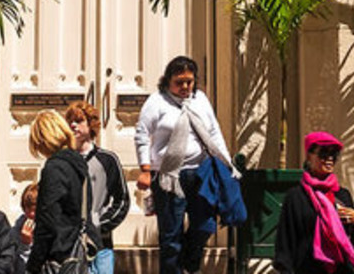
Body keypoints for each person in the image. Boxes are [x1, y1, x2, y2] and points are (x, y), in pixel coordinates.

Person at [134, 56, 232, 274]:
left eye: (189, 81)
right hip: (169, 177)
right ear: (168, 81)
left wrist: (227, 164)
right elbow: (142, 134)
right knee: (171, 236)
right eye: (179, 82)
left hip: (201, 173)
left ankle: (188, 264)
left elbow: (214, 132)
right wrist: (145, 169)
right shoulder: (157, 102)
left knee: (206, 225)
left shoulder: (201, 100)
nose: (185, 87)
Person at [273, 132, 354, 274]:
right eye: (323, 153)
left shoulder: (342, 196)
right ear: (309, 156)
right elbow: (285, 243)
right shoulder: (296, 197)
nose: (329, 159)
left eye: (334, 154)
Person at [25, 110, 98, 274]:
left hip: (58, 256)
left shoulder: (54, 168)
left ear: (43, 140)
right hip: (77, 254)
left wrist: (33, 264)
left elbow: (48, 220)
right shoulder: (79, 164)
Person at [64, 101, 129, 274]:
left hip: (101, 243)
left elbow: (122, 199)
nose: (73, 125)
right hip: (70, 242)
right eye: (70, 121)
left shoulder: (107, 160)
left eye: (79, 121)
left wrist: (102, 226)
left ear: (91, 125)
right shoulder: (62, 161)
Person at [12, 183, 38, 274]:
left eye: (35, 210)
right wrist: (25, 244)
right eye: (28, 208)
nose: (31, 214)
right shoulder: (18, 228)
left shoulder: (48, 230)